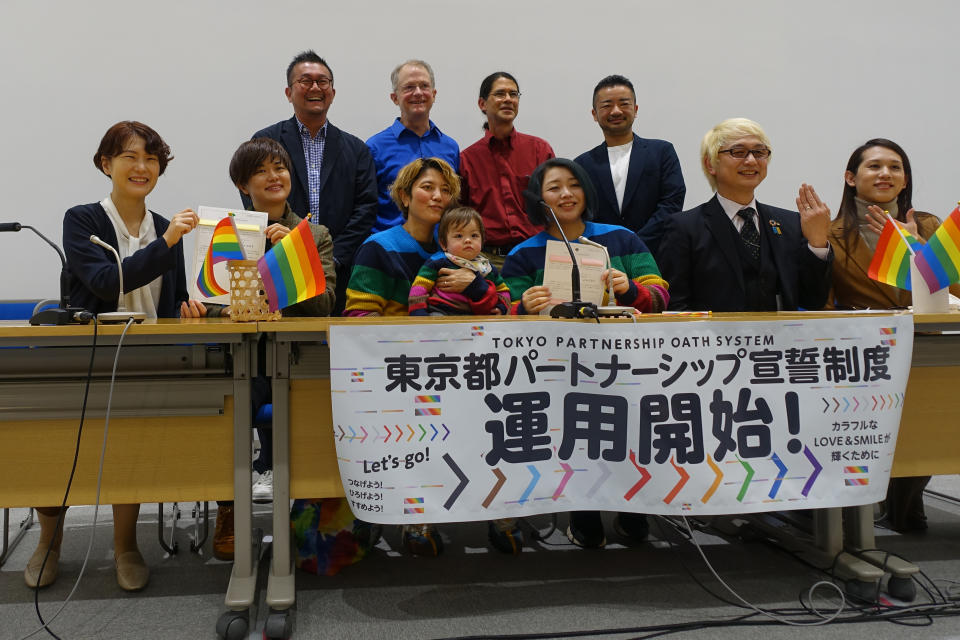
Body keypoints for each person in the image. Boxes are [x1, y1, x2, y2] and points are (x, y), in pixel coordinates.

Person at [32, 121, 201, 591]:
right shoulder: (82, 219)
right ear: (107, 164)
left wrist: (192, 306)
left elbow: (177, 296)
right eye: (130, 156)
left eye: (151, 158)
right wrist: (164, 246)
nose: (142, 166)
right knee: (58, 451)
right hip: (83, 360)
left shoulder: (167, 228)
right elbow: (105, 282)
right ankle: (49, 542)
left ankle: (125, 544)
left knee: (131, 453)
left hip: (146, 360)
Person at [501, 157, 669, 548]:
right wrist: (522, 306)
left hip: (624, 366)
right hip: (558, 373)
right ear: (539, 200)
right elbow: (501, 313)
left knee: (626, 435)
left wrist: (631, 290)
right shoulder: (524, 254)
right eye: (554, 187)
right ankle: (584, 510)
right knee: (574, 438)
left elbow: (660, 295)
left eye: (574, 185)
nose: (566, 194)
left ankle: (633, 508)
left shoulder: (621, 238)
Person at [186, 137, 337, 560]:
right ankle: (230, 508)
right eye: (261, 171)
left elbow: (326, 306)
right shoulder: (225, 233)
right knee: (223, 407)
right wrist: (201, 311)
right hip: (244, 362)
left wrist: (294, 253)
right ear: (242, 184)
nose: (274, 177)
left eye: (280, 167)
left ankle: (307, 518)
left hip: (300, 361)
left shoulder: (314, 234)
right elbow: (216, 306)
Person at [826, 138, 960, 532]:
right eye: (874, 166)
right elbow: (824, 301)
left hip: (931, 347)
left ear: (904, 182)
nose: (885, 174)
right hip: (864, 352)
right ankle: (881, 500)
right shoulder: (831, 233)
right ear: (851, 178)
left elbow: (955, 292)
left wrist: (919, 252)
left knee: (932, 422)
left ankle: (907, 495)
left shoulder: (932, 226)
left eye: (895, 168)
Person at [345, 157, 461, 556]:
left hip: (451, 376)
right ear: (405, 195)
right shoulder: (380, 247)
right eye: (428, 187)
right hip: (394, 377)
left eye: (446, 190)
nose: (438, 196)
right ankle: (377, 513)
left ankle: (424, 517)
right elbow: (358, 317)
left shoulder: (461, 253)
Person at [246, 50, 377, 314]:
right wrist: (286, 254)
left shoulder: (356, 149)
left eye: (323, 81)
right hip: (274, 268)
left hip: (338, 272)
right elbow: (254, 197)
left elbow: (366, 209)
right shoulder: (266, 141)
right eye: (305, 81)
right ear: (288, 92)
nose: (315, 87)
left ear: (333, 91)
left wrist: (329, 257)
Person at [658, 117, 833, 312]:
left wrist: (817, 244)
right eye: (738, 152)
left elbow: (812, 301)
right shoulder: (684, 227)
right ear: (711, 165)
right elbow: (675, 306)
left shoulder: (790, 223)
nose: (751, 160)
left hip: (781, 340)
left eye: (759, 152)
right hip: (715, 340)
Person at [574, 75, 685, 259]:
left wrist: (635, 243)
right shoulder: (582, 164)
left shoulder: (662, 152)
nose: (616, 111)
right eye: (607, 105)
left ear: (635, 109)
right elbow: (582, 215)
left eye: (624, 104)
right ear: (594, 114)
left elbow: (671, 203)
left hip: (656, 255)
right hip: (603, 260)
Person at [459, 72, 554, 267]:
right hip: (487, 259)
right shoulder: (466, 159)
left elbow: (554, 206)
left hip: (536, 255)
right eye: (500, 94)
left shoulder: (539, 150)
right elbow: (460, 216)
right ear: (482, 104)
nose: (508, 99)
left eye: (514, 94)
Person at [366, 60, 459, 234]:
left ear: (434, 94)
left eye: (424, 86)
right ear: (395, 98)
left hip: (439, 251)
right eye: (409, 87)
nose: (418, 93)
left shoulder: (450, 147)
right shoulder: (375, 148)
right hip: (391, 251)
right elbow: (365, 207)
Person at [408, 207, 510, 316]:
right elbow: (419, 288)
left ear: (482, 240)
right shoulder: (437, 262)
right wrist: (419, 314)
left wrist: (501, 307)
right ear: (443, 244)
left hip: (475, 316)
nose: (468, 240)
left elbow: (503, 291)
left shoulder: (487, 268)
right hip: (441, 312)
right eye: (459, 236)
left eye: (474, 235)